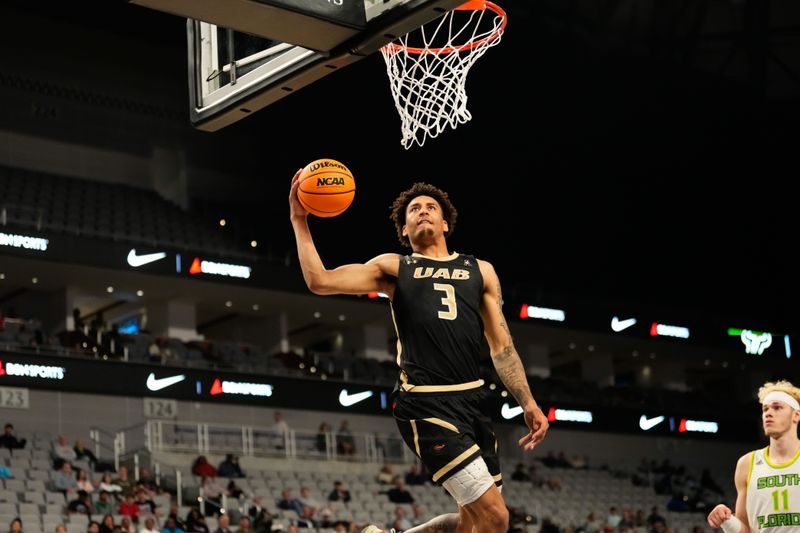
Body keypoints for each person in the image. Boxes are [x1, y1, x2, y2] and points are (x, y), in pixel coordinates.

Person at [289, 178, 549, 533]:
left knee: (470, 521)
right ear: (405, 228)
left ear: (445, 223)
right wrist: (299, 219)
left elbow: (502, 347)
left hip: (472, 402)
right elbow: (320, 280)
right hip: (425, 405)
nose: (422, 211)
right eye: (414, 209)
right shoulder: (395, 268)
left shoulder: (481, 270)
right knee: (496, 517)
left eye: (431, 207)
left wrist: (529, 403)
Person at [708, 380, 800, 533]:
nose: (768, 413)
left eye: (777, 407)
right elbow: (746, 529)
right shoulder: (747, 464)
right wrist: (727, 520)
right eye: (765, 409)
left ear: (796, 415)